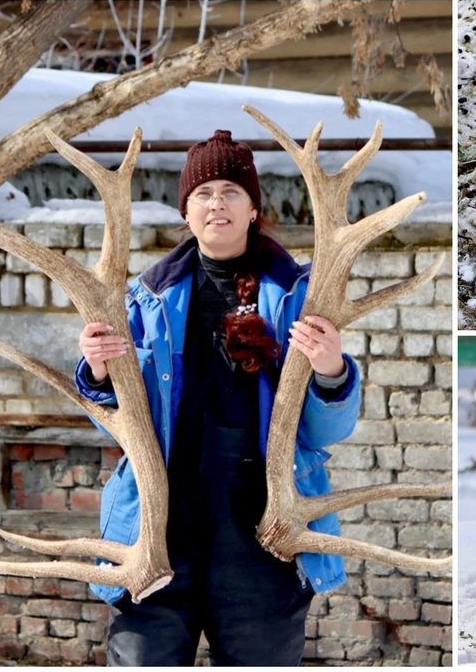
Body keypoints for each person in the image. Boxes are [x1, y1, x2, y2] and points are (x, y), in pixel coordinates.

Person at [74, 130, 361, 666]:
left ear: (254, 208)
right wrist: (97, 368)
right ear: (186, 212)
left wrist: (330, 370)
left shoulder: (301, 296)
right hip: (157, 525)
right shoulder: (145, 298)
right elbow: (115, 425)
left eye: (231, 190)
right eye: (203, 194)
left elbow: (326, 432)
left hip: (261, 530)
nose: (216, 203)